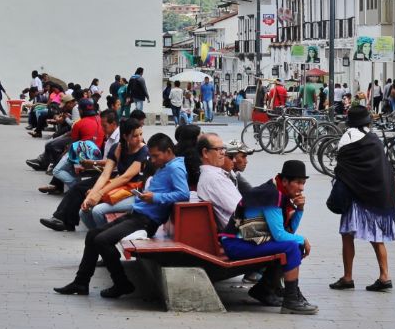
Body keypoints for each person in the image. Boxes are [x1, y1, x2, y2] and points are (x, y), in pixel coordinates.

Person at [54, 132, 187, 299]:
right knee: (93, 235)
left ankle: (121, 282)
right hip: (137, 215)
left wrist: (155, 197)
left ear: (168, 151)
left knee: (102, 240)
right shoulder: (166, 166)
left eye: (155, 156)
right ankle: (81, 282)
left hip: (146, 221)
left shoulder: (176, 168)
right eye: (151, 156)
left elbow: (183, 194)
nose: (153, 160)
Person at [220, 159, 319, 315]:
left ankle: (265, 290)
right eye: (298, 183)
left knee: (293, 244)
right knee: (293, 246)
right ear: (285, 181)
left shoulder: (278, 192)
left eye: (303, 183)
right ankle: (291, 300)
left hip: (247, 242)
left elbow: (288, 232)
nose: (301, 188)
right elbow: (280, 236)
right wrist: (303, 240)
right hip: (236, 244)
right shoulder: (271, 196)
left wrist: (299, 209)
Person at [329, 105, 395, 291]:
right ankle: (385, 276)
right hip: (374, 195)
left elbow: (342, 165)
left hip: (354, 194)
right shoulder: (374, 138)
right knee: (377, 237)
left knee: (347, 235)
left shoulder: (347, 136)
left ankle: (348, 277)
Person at [194, 133, 242, 230]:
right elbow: (239, 208)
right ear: (205, 153)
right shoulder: (214, 178)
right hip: (240, 232)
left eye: (223, 148)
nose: (223, 153)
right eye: (218, 149)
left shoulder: (214, 175)